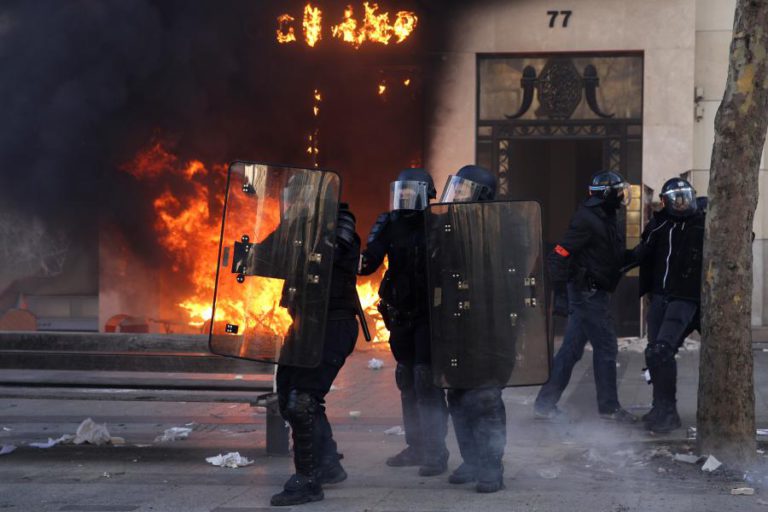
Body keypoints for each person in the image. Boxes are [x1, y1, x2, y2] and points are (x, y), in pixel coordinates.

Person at [358, 168, 450, 477]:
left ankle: (437, 451)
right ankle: (416, 446)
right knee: (406, 379)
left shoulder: (439, 224)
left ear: (427, 195)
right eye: (403, 192)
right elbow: (368, 263)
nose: (406, 198)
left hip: (429, 314)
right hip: (399, 313)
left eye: (413, 192)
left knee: (426, 379)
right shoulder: (389, 223)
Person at [270, 202, 361, 506]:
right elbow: (267, 255)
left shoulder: (340, 222)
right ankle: (328, 465)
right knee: (287, 395)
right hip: (304, 324)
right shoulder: (295, 225)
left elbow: (327, 256)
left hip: (333, 325)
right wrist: (244, 252)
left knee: (303, 400)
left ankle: (308, 481)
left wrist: (302, 237)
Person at [533, 170, 637, 423]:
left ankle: (544, 404)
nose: (623, 195)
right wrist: (563, 294)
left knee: (570, 350)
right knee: (606, 347)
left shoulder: (606, 217)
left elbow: (612, 258)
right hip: (587, 295)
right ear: (607, 195)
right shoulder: (587, 219)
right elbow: (559, 255)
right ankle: (609, 408)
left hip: (591, 293)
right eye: (619, 191)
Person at [432, 165, 509, 493]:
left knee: (485, 395)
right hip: (455, 319)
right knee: (458, 393)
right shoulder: (449, 224)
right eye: (458, 189)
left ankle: (492, 464)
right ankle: (472, 459)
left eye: (466, 191)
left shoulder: (506, 224)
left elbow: (513, 274)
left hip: (492, 323)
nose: (459, 197)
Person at [628, 178, 704, 433]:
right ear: (665, 201)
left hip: (687, 297)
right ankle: (660, 407)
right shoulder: (659, 225)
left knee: (662, 349)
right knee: (655, 354)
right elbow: (641, 253)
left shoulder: (702, 223)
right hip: (660, 297)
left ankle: (669, 413)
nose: (681, 204)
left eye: (685, 198)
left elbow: (740, 237)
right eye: (676, 199)